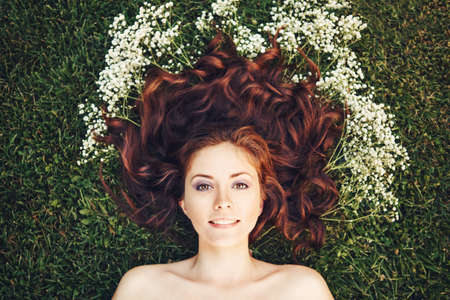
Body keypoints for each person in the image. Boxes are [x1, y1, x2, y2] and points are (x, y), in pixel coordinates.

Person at [97, 26, 342, 299]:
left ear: (261, 199)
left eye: (239, 185)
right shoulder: (142, 288)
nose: (222, 201)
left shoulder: (301, 289)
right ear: (184, 202)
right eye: (203, 186)